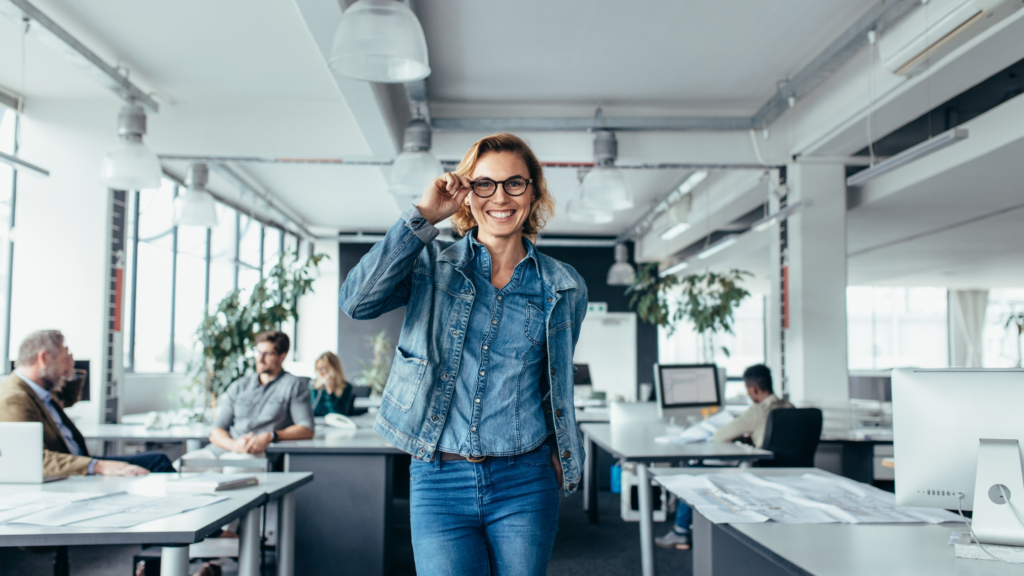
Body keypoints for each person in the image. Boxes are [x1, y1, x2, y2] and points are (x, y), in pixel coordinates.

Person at [338, 133, 588, 575]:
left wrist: (559, 447)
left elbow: (554, 382)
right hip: (439, 478)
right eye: (485, 184)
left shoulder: (563, 285)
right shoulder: (429, 267)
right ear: (467, 195)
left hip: (525, 479)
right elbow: (356, 302)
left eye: (515, 183)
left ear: (533, 191)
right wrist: (423, 216)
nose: (501, 197)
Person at [656, 364, 793, 550]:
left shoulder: (758, 411)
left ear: (754, 389)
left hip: (757, 475)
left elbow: (720, 436)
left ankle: (680, 532)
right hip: (790, 476)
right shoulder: (790, 408)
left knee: (694, 471)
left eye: (747, 390)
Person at [0, 330, 174, 476]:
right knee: (157, 463)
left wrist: (69, 371)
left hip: (81, 461)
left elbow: (68, 398)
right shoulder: (13, 398)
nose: (67, 366)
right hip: (71, 470)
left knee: (157, 460)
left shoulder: (41, 391)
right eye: (63, 360)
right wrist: (98, 466)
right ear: (44, 359)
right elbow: (28, 460)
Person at [182, 330, 314, 466]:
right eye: (258, 352)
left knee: (234, 472)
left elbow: (307, 428)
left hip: (257, 453)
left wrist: (270, 436)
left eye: (267, 354)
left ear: (282, 357)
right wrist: (235, 446)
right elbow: (216, 430)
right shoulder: (240, 386)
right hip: (222, 450)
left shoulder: (294, 385)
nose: (260, 359)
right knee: (179, 466)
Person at [310, 351, 353, 416]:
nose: (320, 372)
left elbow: (339, 414)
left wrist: (330, 392)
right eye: (318, 369)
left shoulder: (346, 387)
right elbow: (315, 411)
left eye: (323, 368)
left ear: (333, 368)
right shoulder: (313, 386)